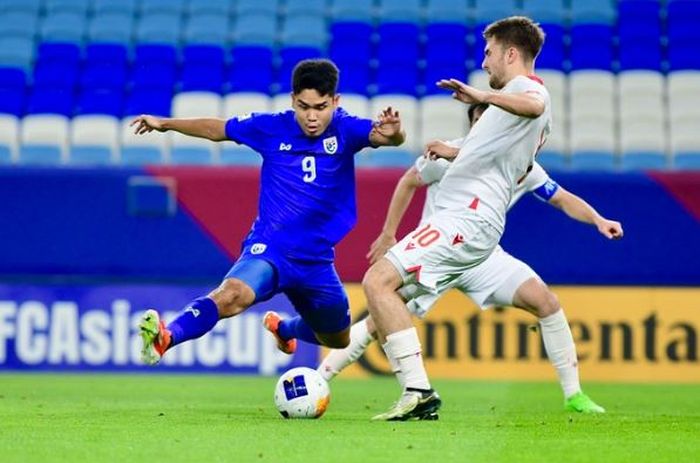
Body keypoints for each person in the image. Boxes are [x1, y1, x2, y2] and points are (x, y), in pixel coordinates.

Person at [318, 102, 623, 419]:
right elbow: (409, 180)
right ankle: (319, 379)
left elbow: (561, 197)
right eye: (478, 120)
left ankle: (574, 394)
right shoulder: (451, 154)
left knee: (544, 300)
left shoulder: (522, 165)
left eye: (490, 120)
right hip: (438, 252)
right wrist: (388, 233)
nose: (484, 127)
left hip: (481, 255)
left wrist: (599, 219)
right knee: (378, 317)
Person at [130, 59, 406, 365]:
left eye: (320, 107)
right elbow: (217, 129)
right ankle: (168, 336)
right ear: (292, 101)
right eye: (303, 107)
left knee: (338, 339)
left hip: (316, 261)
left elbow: (384, 137)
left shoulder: (346, 129)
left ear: (335, 102)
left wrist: (395, 134)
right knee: (234, 294)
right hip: (270, 248)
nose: (311, 117)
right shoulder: (271, 127)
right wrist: (166, 123)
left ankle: (283, 328)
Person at [362, 16, 555, 421]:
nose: (484, 62)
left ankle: (417, 391)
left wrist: (478, 94)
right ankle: (410, 388)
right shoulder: (512, 116)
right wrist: (457, 151)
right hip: (473, 222)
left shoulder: (528, 89)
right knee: (388, 294)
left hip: (467, 219)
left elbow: (533, 103)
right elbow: (499, 147)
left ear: (511, 53)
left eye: (488, 53)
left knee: (377, 281)